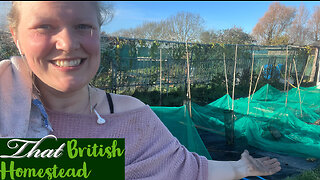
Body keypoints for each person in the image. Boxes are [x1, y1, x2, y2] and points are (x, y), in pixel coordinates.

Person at [0, 1, 281, 180]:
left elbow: (185, 169)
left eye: (82, 26)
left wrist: (240, 168)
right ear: (16, 37)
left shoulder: (132, 117)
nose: (67, 43)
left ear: (99, 33)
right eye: (44, 27)